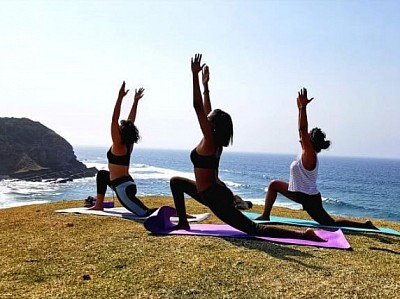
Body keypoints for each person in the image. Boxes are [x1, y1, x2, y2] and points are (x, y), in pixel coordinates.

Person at [169, 54, 325, 241]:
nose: (206, 117)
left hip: (215, 196)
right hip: (210, 192)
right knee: (176, 182)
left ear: (212, 126)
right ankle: (184, 222)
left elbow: (197, 107)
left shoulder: (210, 141)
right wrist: (206, 87)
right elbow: (206, 109)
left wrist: (193, 75)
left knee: (254, 229)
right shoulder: (212, 140)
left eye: (209, 119)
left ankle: (304, 234)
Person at [256, 88, 377, 229]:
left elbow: (301, 130)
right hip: (297, 193)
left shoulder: (310, 154)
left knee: (330, 224)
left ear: (310, 142)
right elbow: (301, 132)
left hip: (309, 199)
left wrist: (302, 108)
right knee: (273, 185)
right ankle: (265, 215)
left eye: (307, 136)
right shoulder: (304, 153)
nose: (303, 136)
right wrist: (300, 109)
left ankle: (365, 225)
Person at [90, 81, 156, 217]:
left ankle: (177, 213)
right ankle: (99, 205)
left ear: (121, 132)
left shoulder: (118, 145)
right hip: (126, 183)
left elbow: (114, 120)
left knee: (145, 213)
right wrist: (135, 101)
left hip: (123, 189)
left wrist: (120, 97)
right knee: (102, 174)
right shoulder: (128, 144)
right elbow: (130, 122)